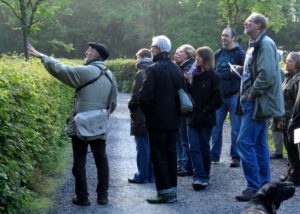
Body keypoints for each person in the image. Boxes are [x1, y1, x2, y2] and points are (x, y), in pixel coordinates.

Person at [27, 42, 118, 206]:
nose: (86, 52)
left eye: (89, 51)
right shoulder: (111, 75)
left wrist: (44, 57)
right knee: (101, 160)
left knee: (80, 161)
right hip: (100, 124)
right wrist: (98, 116)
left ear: (96, 55)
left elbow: (63, 70)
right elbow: (112, 105)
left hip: (81, 124)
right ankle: (103, 196)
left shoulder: (87, 71)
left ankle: (82, 197)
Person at [234, 12, 285, 201]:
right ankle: (264, 185)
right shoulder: (256, 44)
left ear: (260, 26)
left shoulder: (265, 44)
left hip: (256, 103)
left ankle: (254, 186)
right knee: (259, 144)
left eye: (251, 21)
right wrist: (243, 70)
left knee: (243, 142)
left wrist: (251, 94)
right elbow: (259, 71)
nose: (246, 22)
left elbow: (268, 75)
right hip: (254, 102)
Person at [139, 35, 183, 203]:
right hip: (173, 120)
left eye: (152, 47)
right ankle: (172, 191)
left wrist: (148, 114)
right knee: (171, 154)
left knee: (158, 155)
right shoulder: (176, 68)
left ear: (157, 49)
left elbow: (144, 97)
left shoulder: (153, 69)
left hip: (157, 120)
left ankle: (164, 193)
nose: (150, 49)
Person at [186, 46, 222, 190]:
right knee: (193, 147)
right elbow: (187, 95)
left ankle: (204, 176)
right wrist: (186, 81)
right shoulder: (192, 75)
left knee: (204, 147)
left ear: (206, 59)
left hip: (206, 117)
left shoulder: (214, 76)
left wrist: (206, 110)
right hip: (192, 117)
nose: (196, 59)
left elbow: (218, 98)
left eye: (199, 57)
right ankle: (198, 176)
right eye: (196, 57)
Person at [210, 28, 245, 167]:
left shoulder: (241, 54)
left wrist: (240, 92)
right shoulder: (218, 53)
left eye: (226, 36)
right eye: (222, 35)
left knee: (236, 128)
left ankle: (236, 157)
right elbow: (213, 72)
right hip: (220, 97)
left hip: (234, 96)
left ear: (234, 38)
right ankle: (214, 155)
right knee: (216, 127)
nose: (223, 38)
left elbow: (247, 74)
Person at [128, 48, 154, 184]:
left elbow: (137, 96)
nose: (136, 60)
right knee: (150, 146)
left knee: (142, 146)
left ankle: (141, 175)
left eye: (137, 57)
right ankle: (150, 175)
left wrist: (130, 105)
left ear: (142, 58)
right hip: (152, 114)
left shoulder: (141, 73)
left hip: (140, 114)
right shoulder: (155, 70)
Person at [278, 52, 300, 185]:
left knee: (296, 147)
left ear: (297, 64)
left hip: (296, 121)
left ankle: (296, 176)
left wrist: (295, 121)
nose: (287, 63)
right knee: (289, 146)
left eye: (290, 61)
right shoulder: (288, 77)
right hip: (286, 121)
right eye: (286, 61)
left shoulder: (298, 79)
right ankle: (292, 171)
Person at [174, 44, 195, 176]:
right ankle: (181, 163)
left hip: (184, 106)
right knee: (180, 137)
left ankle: (185, 165)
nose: (177, 54)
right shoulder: (180, 67)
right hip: (181, 106)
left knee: (183, 138)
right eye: (176, 52)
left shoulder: (189, 67)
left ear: (188, 54)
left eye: (181, 52)